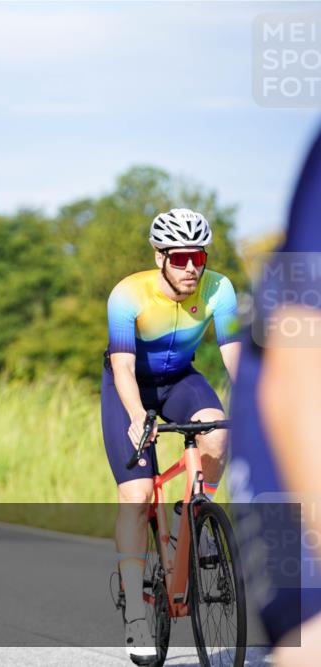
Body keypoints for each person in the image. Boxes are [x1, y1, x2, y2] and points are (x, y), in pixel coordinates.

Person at [102, 208, 241, 664]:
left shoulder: (219, 288)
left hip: (181, 379)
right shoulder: (128, 294)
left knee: (217, 440)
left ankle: (193, 518)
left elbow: (233, 352)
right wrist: (137, 415)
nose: (191, 268)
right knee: (138, 495)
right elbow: (122, 365)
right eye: (179, 258)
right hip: (130, 387)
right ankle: (136, 619)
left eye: (198, 257)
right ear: (160, 255)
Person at [229, 127, 321, 667]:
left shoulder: (213, 295)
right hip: (295, 378)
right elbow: (295, 367)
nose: (188, 267)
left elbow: (223, 351)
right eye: (176, 257)